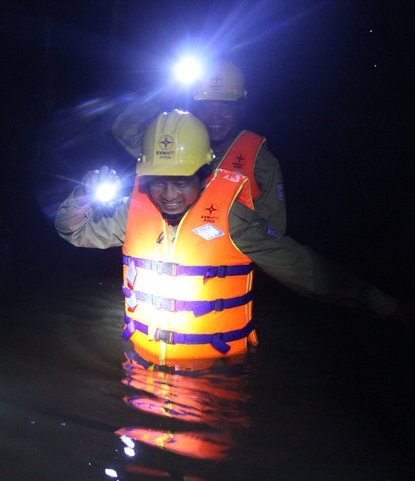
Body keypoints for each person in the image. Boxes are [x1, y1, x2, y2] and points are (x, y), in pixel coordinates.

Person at [56, 110, 404, 366]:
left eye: (181, 181)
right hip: (141, 366)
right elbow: (74, 230)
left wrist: (377, 302)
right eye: (158, 181)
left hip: (214, 374)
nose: (168, 194)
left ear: (204, 178)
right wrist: (81, 199)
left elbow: (304, 268)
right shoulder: (133, 211)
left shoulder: (233, 218)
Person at [112, 60, 287, 235]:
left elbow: (273, 234)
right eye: (206, 106)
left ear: (241, 107)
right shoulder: (173, 142)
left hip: (220, 254)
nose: (215, 116)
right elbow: (126, 130)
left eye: (225, 107)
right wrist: (164, 93)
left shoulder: (261, 163)